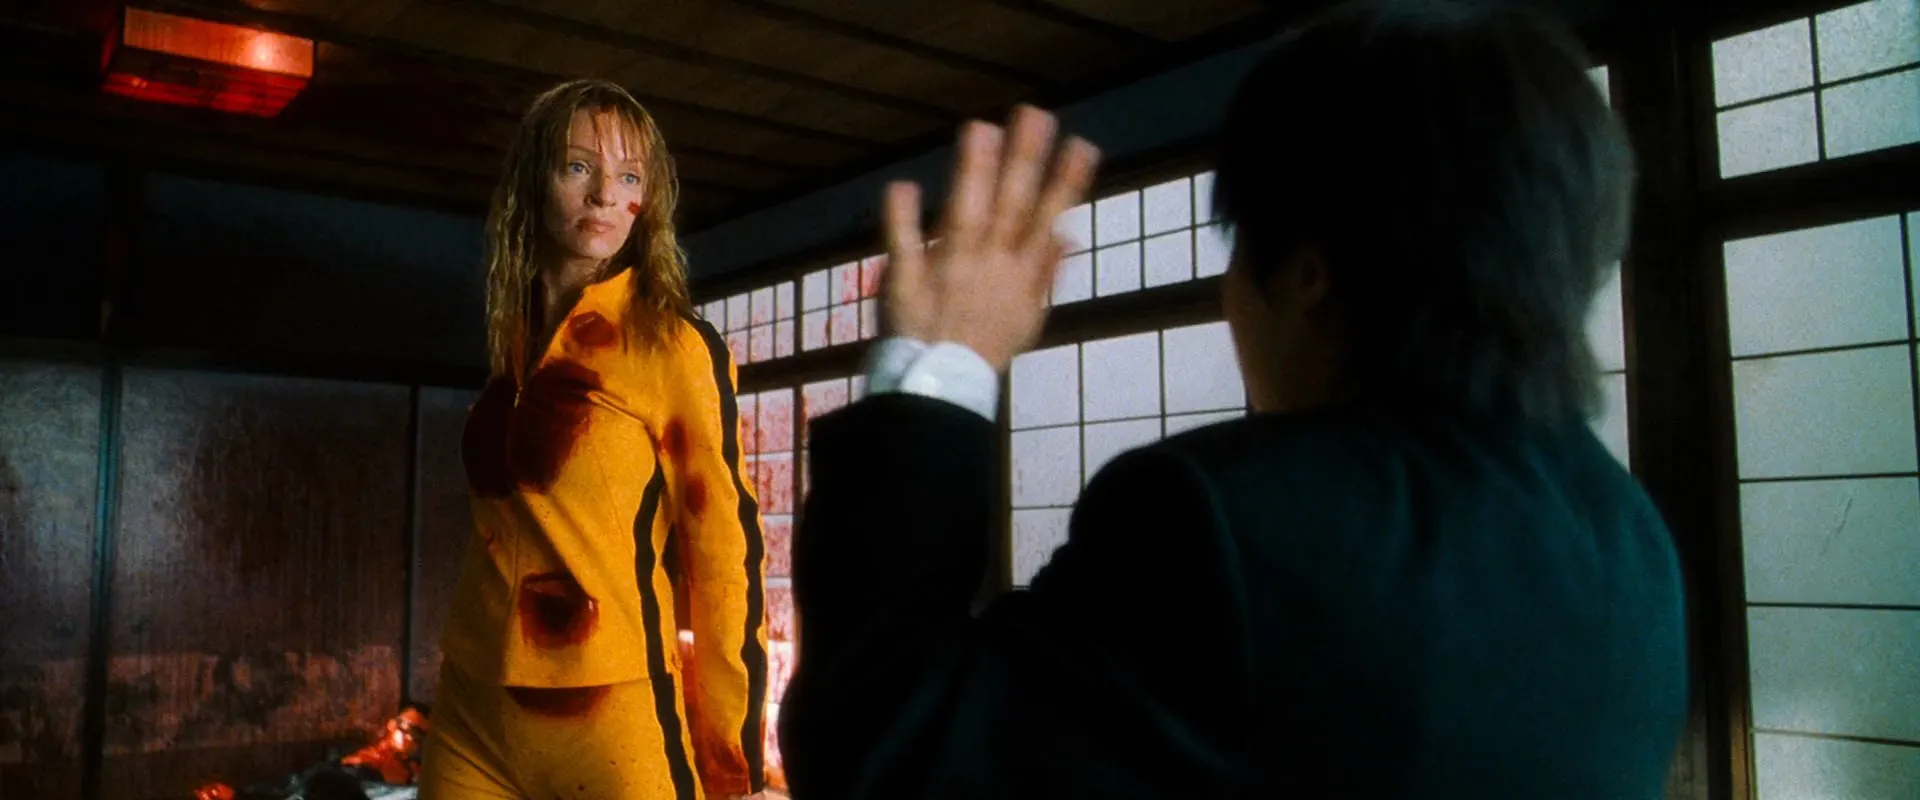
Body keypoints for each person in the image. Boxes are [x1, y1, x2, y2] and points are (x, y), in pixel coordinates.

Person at [778, 2, 1687, 798]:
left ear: (1307, 274)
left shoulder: (1220, 523)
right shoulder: (1630, 540)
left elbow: (884, 755)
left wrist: (943, 360)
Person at [418, 79, 769, 800]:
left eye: (630, 177)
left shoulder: (672, 344)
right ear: (535, 180)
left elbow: (724, 557)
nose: (606, 194)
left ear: (649, 201)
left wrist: (732, 757)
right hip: (472, 703)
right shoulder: (516, 340)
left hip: (611, 701)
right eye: (579, 166)